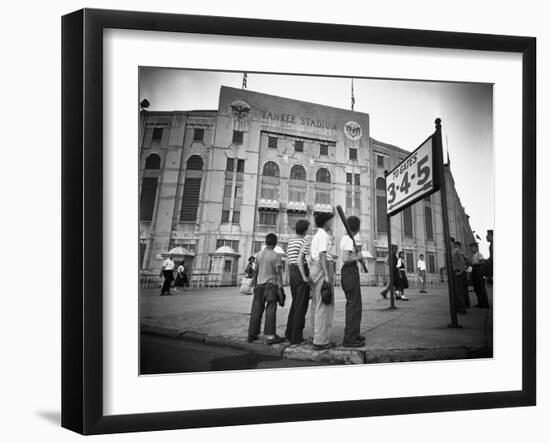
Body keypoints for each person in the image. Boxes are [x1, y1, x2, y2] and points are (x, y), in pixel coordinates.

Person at [247, 233, 285, 345]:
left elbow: (255, 271)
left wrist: (254, 285)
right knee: (270, 310)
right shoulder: (276, 256)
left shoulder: (258, 255)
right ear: (275, 243)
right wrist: (281, 288)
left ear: (266, 242)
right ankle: (270, 336)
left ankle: (252, 335)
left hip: (259, 286)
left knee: (256, 310)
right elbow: (278, 274)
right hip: (271, 286)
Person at [309, 212, 336, 351]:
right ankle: (320, 341)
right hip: (322, 269)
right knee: (324, 305)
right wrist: (326, 275)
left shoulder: (317, 235)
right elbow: (322, 254)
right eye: (330, 221)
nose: (332, 224)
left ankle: (316, 336)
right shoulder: (324, 235)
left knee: (317, 304)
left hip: (316, 268)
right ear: (326, 222)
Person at [340, 216, 366, 347]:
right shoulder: (349, 239)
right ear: (357, 228)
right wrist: (357, 256)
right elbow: (345, 258)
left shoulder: (347, 238)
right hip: (349, 272)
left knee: (356, 305)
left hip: (350, 272)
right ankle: (349, 339)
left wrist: (357, 256)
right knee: (353, 306)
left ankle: (354, 334)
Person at [284, 219, 311, 346]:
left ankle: (289, 334)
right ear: (305, 230)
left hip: (292, 273)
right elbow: (300, 261)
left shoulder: (290, 242)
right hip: (300, 273)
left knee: (295, 304)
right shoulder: (304, 242)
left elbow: (289, 260)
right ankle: (296, 337)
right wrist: (305, 277)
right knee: (301, 306)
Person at [469, 242, 490, 308]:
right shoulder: (473, 256)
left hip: (478, 270)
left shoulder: (479, 254)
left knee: (481, 287)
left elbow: (482, 261)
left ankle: (485, 303)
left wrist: (478, 264)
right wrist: (469, 273)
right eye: (470, 248)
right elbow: (471, 266)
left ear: (476, 248)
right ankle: (480, 302)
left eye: (472, 248)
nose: (471, 249)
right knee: (477, 288)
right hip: (474, 270)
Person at [451, 241, 467, 314]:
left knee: (458, 291)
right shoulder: (450, 251)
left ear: (452, 243)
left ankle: (462, 308)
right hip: (453, 272)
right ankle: (457, 307)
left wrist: (461, 270)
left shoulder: (456, 250)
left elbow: (462, 260)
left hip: (457, 271)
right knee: (454, 291)